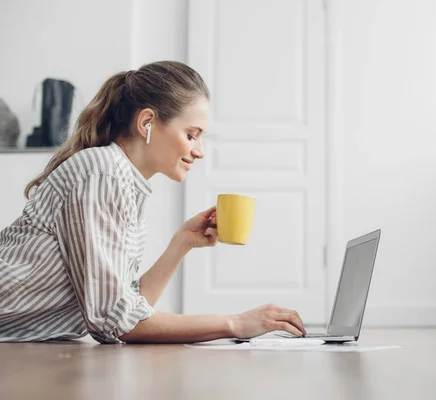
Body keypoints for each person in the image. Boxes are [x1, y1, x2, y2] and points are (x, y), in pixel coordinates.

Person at [0, 61, 306, 344]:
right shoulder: (102, 172)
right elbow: (116, 323)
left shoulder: (125, 184)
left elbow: (127, 309)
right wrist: (235, 323)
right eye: (191, 134)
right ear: (147, 122)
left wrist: (181, 244)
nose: (199, 151)